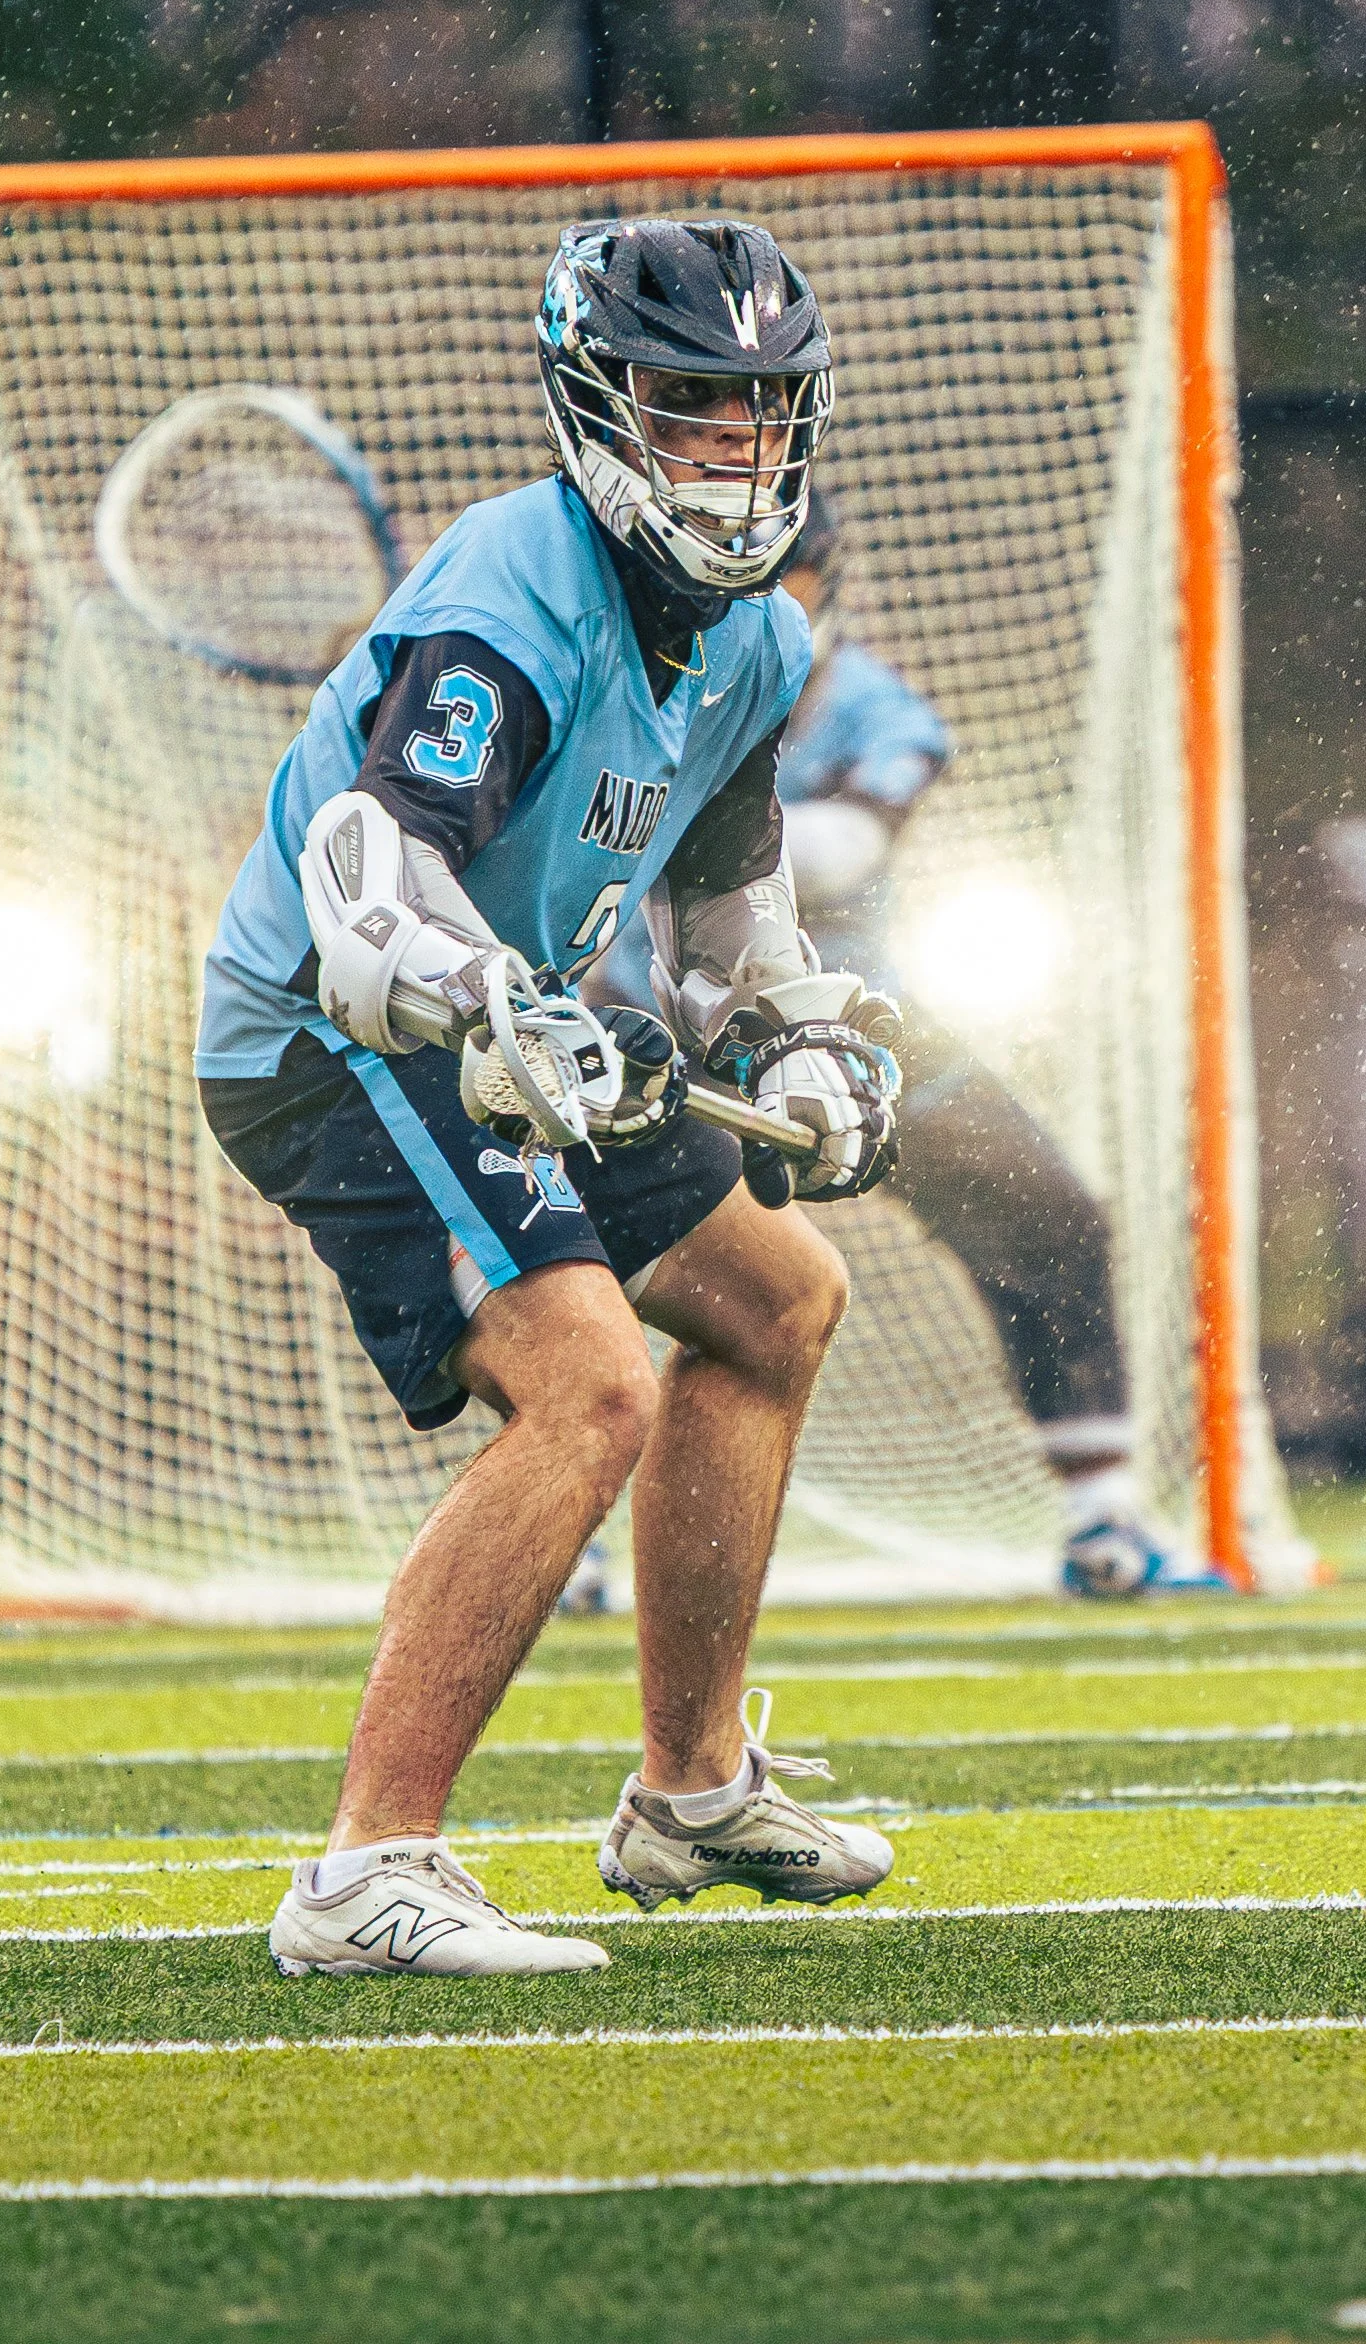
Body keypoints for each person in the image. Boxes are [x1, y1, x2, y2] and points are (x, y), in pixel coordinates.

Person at [196, 218, 903, 1978]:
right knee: (584, 1387)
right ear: (600, 405)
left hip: (516, 1019)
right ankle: (367, 1871)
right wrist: (480, 1002)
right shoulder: (513, 586)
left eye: (757, 412)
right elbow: (368, 871)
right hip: (330, 1026)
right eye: (688, 407)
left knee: (774, 1299)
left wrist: (793, 1039)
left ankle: (690, 1787)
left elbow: (727, 912)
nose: (731, 449)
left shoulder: (749, 639)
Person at [586, 496, 1185, 1599]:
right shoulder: (633, 685)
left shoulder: (871, 706)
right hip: (665, 1034)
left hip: (854, 1026)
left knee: (1049, 1214)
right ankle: (574, 1534)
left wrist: (657, 813)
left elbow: (848, 849)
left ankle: (1104, 1514)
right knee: (579, 1261)